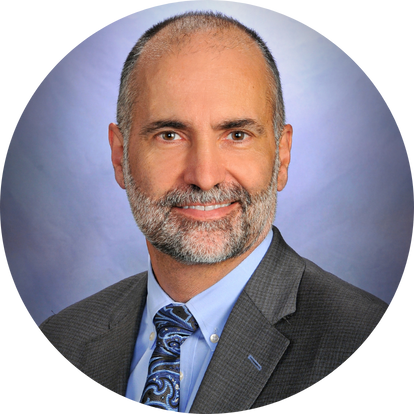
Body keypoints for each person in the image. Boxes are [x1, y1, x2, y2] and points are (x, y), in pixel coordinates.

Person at [38, 11, 390, 413]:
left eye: (237, 135)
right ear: (120, 156)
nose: (204, 177)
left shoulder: (369, 347)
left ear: (282, 155)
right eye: (169, 135)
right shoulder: (61, 340)